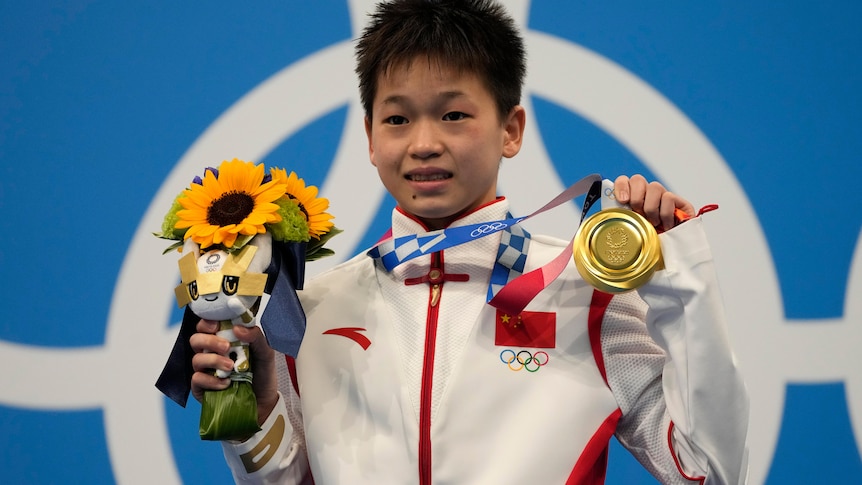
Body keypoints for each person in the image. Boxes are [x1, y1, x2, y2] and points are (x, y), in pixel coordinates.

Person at [189, 0, 749, 483]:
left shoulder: (587, 293)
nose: (424, 143)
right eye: (398, 119)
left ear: (512, 130)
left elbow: (707, 471)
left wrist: (679, 275)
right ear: (368, 136)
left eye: (454, 114)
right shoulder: (311, 308)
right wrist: (259, 411)